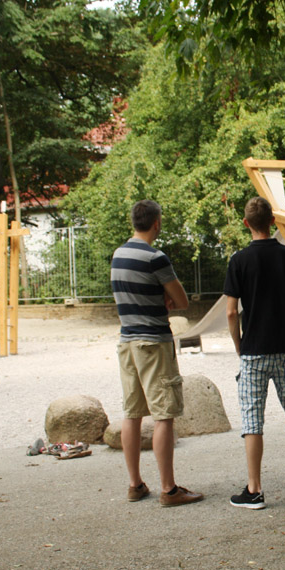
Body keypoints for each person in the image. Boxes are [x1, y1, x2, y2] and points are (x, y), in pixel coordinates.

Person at [224, 196, 285, 510]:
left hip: (253, 351)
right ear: (273, 223)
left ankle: (255, 489)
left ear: (246, 223)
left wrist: (240, 346)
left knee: (252, 421)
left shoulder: (238, 261)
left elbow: (230, 313)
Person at [110, 199, 204, 508]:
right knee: (164, 415)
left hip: (127, 341)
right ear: (157, 223)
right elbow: (181, 300)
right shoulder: (156, 258)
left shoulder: (118, 254)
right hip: (154, 342)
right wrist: (165, 296)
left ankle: (135, 484)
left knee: (132, 413)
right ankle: (169, 489)